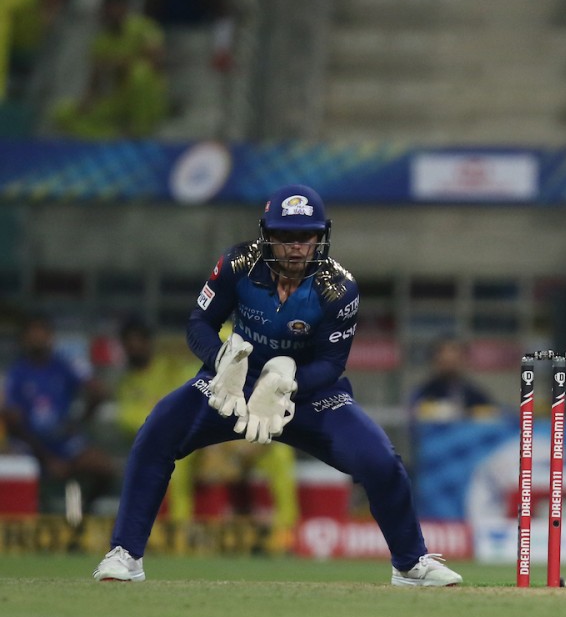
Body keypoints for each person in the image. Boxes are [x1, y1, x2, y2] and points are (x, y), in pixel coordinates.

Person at [93, 184, 462, 586]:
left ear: (321, 236)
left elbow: (331, 363)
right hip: (234, 383)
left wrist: (289, 384)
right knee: (158, 430)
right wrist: (220, 361)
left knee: (381, 461)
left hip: (305, 394)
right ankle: (125, 555)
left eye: (305, 236)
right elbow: (199, 324)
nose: (296, 247)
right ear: (266, 235)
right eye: (285, 236)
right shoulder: (238, 265)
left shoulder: (339, 289)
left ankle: (410, 565)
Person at [115, 318, 300, 551]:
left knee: (280, 452)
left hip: (235, 443)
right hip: (200, 445)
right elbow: (184, 415)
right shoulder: (178, 375)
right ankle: (180, 531)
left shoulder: (260, 372)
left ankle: (287, 533)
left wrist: (243, 444)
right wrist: (211, 445)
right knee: (178, 459)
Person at [1, 313, 118, 513]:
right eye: (32, 334)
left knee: (105, 467)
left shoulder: (64, 365)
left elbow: (99, 390)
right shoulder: (17, 373)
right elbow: (13, 420)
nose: (37, 338)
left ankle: (83, 512)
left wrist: (81, 420)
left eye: (41, 333)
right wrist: (47, 458)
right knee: (13, 462)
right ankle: (33, 514)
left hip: (64, 442)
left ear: (50, 336)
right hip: (30, 444)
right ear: (24, 339)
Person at [50, 0, 168, 139]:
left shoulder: (143, 27)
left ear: (126, 8)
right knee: (62, 112)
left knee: (140, 72)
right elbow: (96, 79)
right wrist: (86, 102)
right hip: (118, 99)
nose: (114, 13)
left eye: (118, 8)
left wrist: (122, 63)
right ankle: (111, 137)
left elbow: (156, 62)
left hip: (148, 99)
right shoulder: (100, 41)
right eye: (110, 8)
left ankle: (141, 133)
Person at [409, 335, 497, 422]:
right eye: (444, 358)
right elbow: (415, 419)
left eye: (455, 356)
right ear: (435, 360)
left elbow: (493, 414)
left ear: (463, 360)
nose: (449, 359)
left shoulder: (473, 392)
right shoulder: (423, 392)